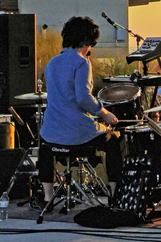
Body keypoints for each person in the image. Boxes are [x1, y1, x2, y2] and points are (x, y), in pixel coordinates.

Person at [37, 17, 120, 206]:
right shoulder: (81, 63)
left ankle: (47, 197)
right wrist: (104, 113)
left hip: (52, 135)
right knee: (113, 140)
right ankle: (114, 196)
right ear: (87, 42)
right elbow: (83, 98)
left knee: (45, 149)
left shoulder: (52, 63)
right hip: (76, 135)